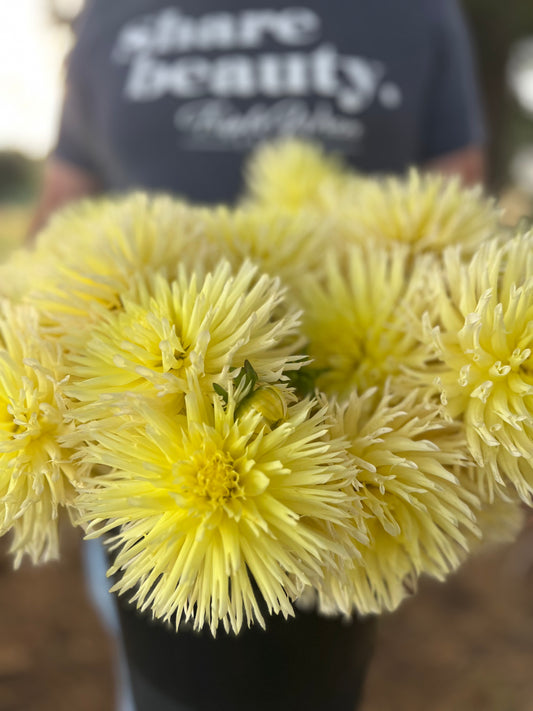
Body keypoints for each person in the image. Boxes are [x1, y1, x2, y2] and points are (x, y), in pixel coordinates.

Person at [31, 1, 486, 709]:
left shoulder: (418, 12)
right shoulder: (113, 15)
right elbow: (64, 196)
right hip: (131, 443)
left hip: (351, 427)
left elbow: (458, 200)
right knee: (155, 671)